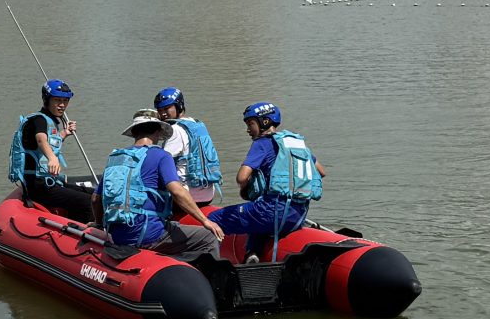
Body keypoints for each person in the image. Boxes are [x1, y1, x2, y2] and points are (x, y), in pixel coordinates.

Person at [210, 102, 326, 259]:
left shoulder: (261, 143)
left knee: (213, 219)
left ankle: (209, 266)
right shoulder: (294, 144)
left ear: (264, 122)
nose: (248, 129)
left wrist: (249, 184)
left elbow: (241, 177)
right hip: (297, 216)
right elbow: (321, 171)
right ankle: (253, 253)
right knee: (257, 215)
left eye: (251, 123)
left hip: (271, 213)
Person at [98, 112, 218, 261]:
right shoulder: (162, 155)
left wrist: (99, 225)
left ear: (134, 132)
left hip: (117, 235)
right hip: (148, 235)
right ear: (158, 131)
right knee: (208, 237)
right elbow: (177, 191)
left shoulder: (116, 157)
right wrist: (205, 220)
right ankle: (209, 280)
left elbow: (96, 199)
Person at [8, 80, 94, 220]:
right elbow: (41, 139)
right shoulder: (38, 121)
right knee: (88, 202)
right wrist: (52, 158)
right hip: (39, 187)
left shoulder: (50, 121)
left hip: (50, 182)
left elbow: (50, 141)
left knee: (94, 194)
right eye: (57, 100)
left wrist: (65, 133)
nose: (62, 105)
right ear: (46, 99)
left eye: (65, 100)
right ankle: (87, 234)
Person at [151, 86, 224, 211]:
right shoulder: (197, 124)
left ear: (178, 106)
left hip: (188, 196)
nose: (163, 113)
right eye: (160, 110)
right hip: (207, 193)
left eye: (167, 108)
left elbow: (160, 161)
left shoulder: (176, 130)